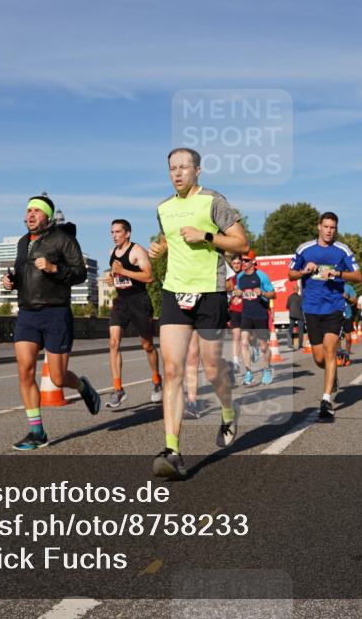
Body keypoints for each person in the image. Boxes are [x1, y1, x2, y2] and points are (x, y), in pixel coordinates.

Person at [149, 148, 249, 479]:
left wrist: (207, 235)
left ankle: (227, 410)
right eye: (172, 168)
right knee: (173, 370)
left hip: (210, 292)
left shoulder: (213, 201)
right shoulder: (163, 208)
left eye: (184, 167)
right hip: (174, 291)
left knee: (211, 368)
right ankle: (172, 449)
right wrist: (160, 247)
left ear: (198, 171)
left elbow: (240, 243)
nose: (177, 173)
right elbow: (168, 238)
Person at [2, 195, 102, 451]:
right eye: (28, 211)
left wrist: (54, 268)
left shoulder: (63, 239)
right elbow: (23, 273)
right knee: (25, 370)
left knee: (57, 378)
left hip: (55, 313)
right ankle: (37, 432)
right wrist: (11, 281)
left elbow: (79, 272)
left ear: (47, 215)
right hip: (27, 314)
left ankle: (82, 386)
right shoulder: (23, 242)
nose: (30, 215)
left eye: (36, 210)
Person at [289, 212, 362, 420]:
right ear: (319, 227)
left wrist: (338, 274)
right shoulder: (305, 249)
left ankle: (326, 400)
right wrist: (304, 270)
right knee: (319, 359)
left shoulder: (342, 250)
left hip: (334, 308)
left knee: (330, 350)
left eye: (333, 227)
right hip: (311, 309)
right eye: (326, 226)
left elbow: (358, 275)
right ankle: (333, 374)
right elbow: (290, 274)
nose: (330, 231)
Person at [104, 219, 162, 408]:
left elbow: (149, 277)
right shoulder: (111, 252)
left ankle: (156, 381)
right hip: (121, 302)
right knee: (113, 343)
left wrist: (124, 271)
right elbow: (116, 274)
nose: (114, 236)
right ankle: (118, 389)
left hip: (139, 302)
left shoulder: (138, 251)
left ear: (127, 233)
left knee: (147, 346)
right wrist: (111, 277)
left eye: (118, 232)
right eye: (112, 232)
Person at [237, 250, 276, 386]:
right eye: (242, 260)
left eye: (246, 260)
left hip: (260, 314)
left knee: (264, 347)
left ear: (253, 261)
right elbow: (238, 291)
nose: (243, 262)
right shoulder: (240, 277)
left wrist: (263, 292)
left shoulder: (261, 276)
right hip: (246, 314)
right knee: (243, 343)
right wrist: (237, 294)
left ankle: (267, 369)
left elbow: (273, 294)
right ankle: (249, 373)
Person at [227, 255, 245, 370]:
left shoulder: (245, 275)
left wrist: (241, 294)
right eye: (234, 263)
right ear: (231, 265)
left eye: (239, 263)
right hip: (234, 310)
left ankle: (254, 347)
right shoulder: (229, 277)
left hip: (247, 308)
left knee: (249, 336)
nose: (237, 265)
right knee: (236, 335)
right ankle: (235, 361)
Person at [338, 282, 357, 367]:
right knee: (337, 338)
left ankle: (347, 356)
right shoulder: (333, 286)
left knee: (348, 338)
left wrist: (348, 297)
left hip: (347, 315)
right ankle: (339, 356)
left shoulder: (348, 287)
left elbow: (355, 300)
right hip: (336, 315)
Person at [287, 282, 304, 349]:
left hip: (292, 315)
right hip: (299, 315)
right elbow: (302, 307)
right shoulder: (300, 298)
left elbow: (287, 306)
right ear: (298, 289)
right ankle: (300, 345)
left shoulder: (289, 297)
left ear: (293, 289)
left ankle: (289, 344)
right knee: (301, 330)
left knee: (290, 330)